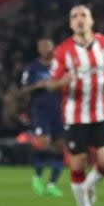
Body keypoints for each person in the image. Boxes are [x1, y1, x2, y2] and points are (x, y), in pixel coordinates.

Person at [49, 6, 104, 206]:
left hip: (102, 112)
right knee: (78, 164)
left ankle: (89, 186)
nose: (79, 20)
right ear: (70, 24)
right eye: (74, 16)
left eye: (83, 15)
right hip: (75, 115)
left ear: (91, 20)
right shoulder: (63, 51)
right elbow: (52, 84)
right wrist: (62, 82)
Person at [20, 37, 65, 197]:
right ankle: (37, 177)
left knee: (61, 146)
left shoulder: (61, 67)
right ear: (39, 50)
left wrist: (60, 84)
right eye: (43, 47)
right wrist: (36, 86)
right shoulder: (32, 68)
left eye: (49, 46)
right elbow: (23, 90)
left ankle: (52, 184)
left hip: (60, 111)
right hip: (41, 111)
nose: (47, 49)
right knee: (44, 143)